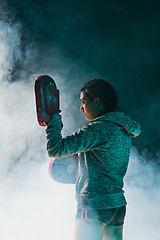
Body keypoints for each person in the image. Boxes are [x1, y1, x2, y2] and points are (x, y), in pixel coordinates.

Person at [41, 78, 141, 240]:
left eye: (83, 102)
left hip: (95, 206)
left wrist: (54, 121)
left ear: (96, 102)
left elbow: (55, 149)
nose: (80, 108)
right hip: (117, 206)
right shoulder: (122, 127)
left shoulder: (96, 129)